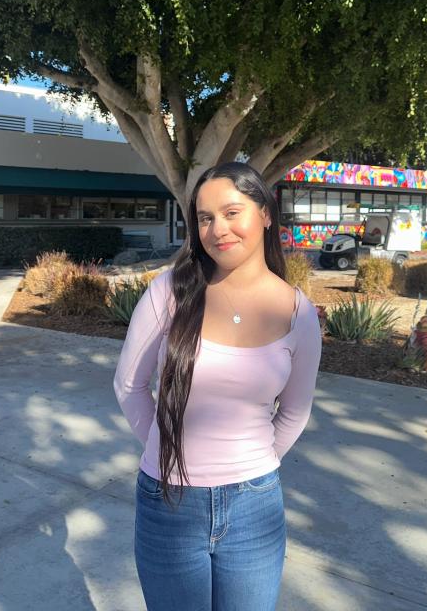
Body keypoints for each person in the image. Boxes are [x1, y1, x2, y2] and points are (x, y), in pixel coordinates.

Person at [113, 161, 322, 611]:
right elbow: (130, 385)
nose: (217, 229)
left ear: (265, 213)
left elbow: (294, 411)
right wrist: (164, 446)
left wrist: (255, 461)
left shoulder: (299, 314)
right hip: (168, 501)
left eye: (231, 212)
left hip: (255, 506)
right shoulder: (170, 292)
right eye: (205, 218)